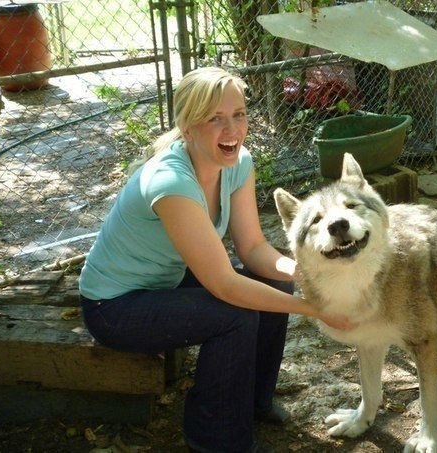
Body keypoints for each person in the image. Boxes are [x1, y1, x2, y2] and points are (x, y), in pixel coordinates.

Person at [78, 66, 354, 453]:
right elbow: (224, 285)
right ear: (188, 127)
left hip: (167, 281)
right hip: (115, 306)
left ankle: (254, 404)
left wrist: (305, 273)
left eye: (239, 115)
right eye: (215, 119)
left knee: (275, 281)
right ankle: (216, 439)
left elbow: (253, 247)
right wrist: (315, 308)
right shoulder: (171, 182)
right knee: (235, 316)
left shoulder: (238, 163)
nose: (232, 130)